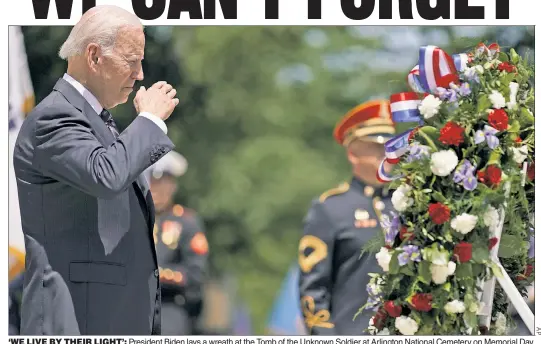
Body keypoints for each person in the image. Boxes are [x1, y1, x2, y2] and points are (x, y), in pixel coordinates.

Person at [13, 5, 179, 335]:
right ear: (94, 56)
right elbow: (106, 174)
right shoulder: (55, 118)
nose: (140, 74)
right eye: (132, 61)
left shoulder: (94, 120)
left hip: (103, 315)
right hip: (76, 318)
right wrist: (149, 121)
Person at [298, 100, 395, 335]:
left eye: (389, 147)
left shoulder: (406, 203)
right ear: (353, 154)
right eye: (375, 147)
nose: (385, 155)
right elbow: (313, 288)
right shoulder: (330, 209)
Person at [147, 151, 209, 335]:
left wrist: (157, 274)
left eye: (161, 184)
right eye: (151, 183)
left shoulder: (187, 222)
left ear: (172, 186)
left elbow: (195, 274)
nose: (155, 190)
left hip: (170, 306)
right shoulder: (132, 219)